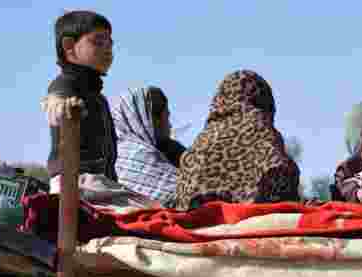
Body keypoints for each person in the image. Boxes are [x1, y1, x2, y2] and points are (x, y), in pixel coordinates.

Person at [173, 70, 301, 211]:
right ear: (265, 101)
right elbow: (281, 174)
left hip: (194, 221)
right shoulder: (262, 131)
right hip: (249, 218)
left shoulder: (201, 142)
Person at [43, 11, 118, 184]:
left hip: (102, 183)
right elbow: (56, 98)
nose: (107, 48)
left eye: (110, 43)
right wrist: (58, 105)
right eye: (98, 42)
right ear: (69, 46)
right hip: (77, 184)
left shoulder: (97, 95)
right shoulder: (66, 83)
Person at [113, 86, 187, 205]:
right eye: (166, 117)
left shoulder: (113, 153)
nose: (170, 125)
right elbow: (190, 193)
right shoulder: (142, 154)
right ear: (151, 120)